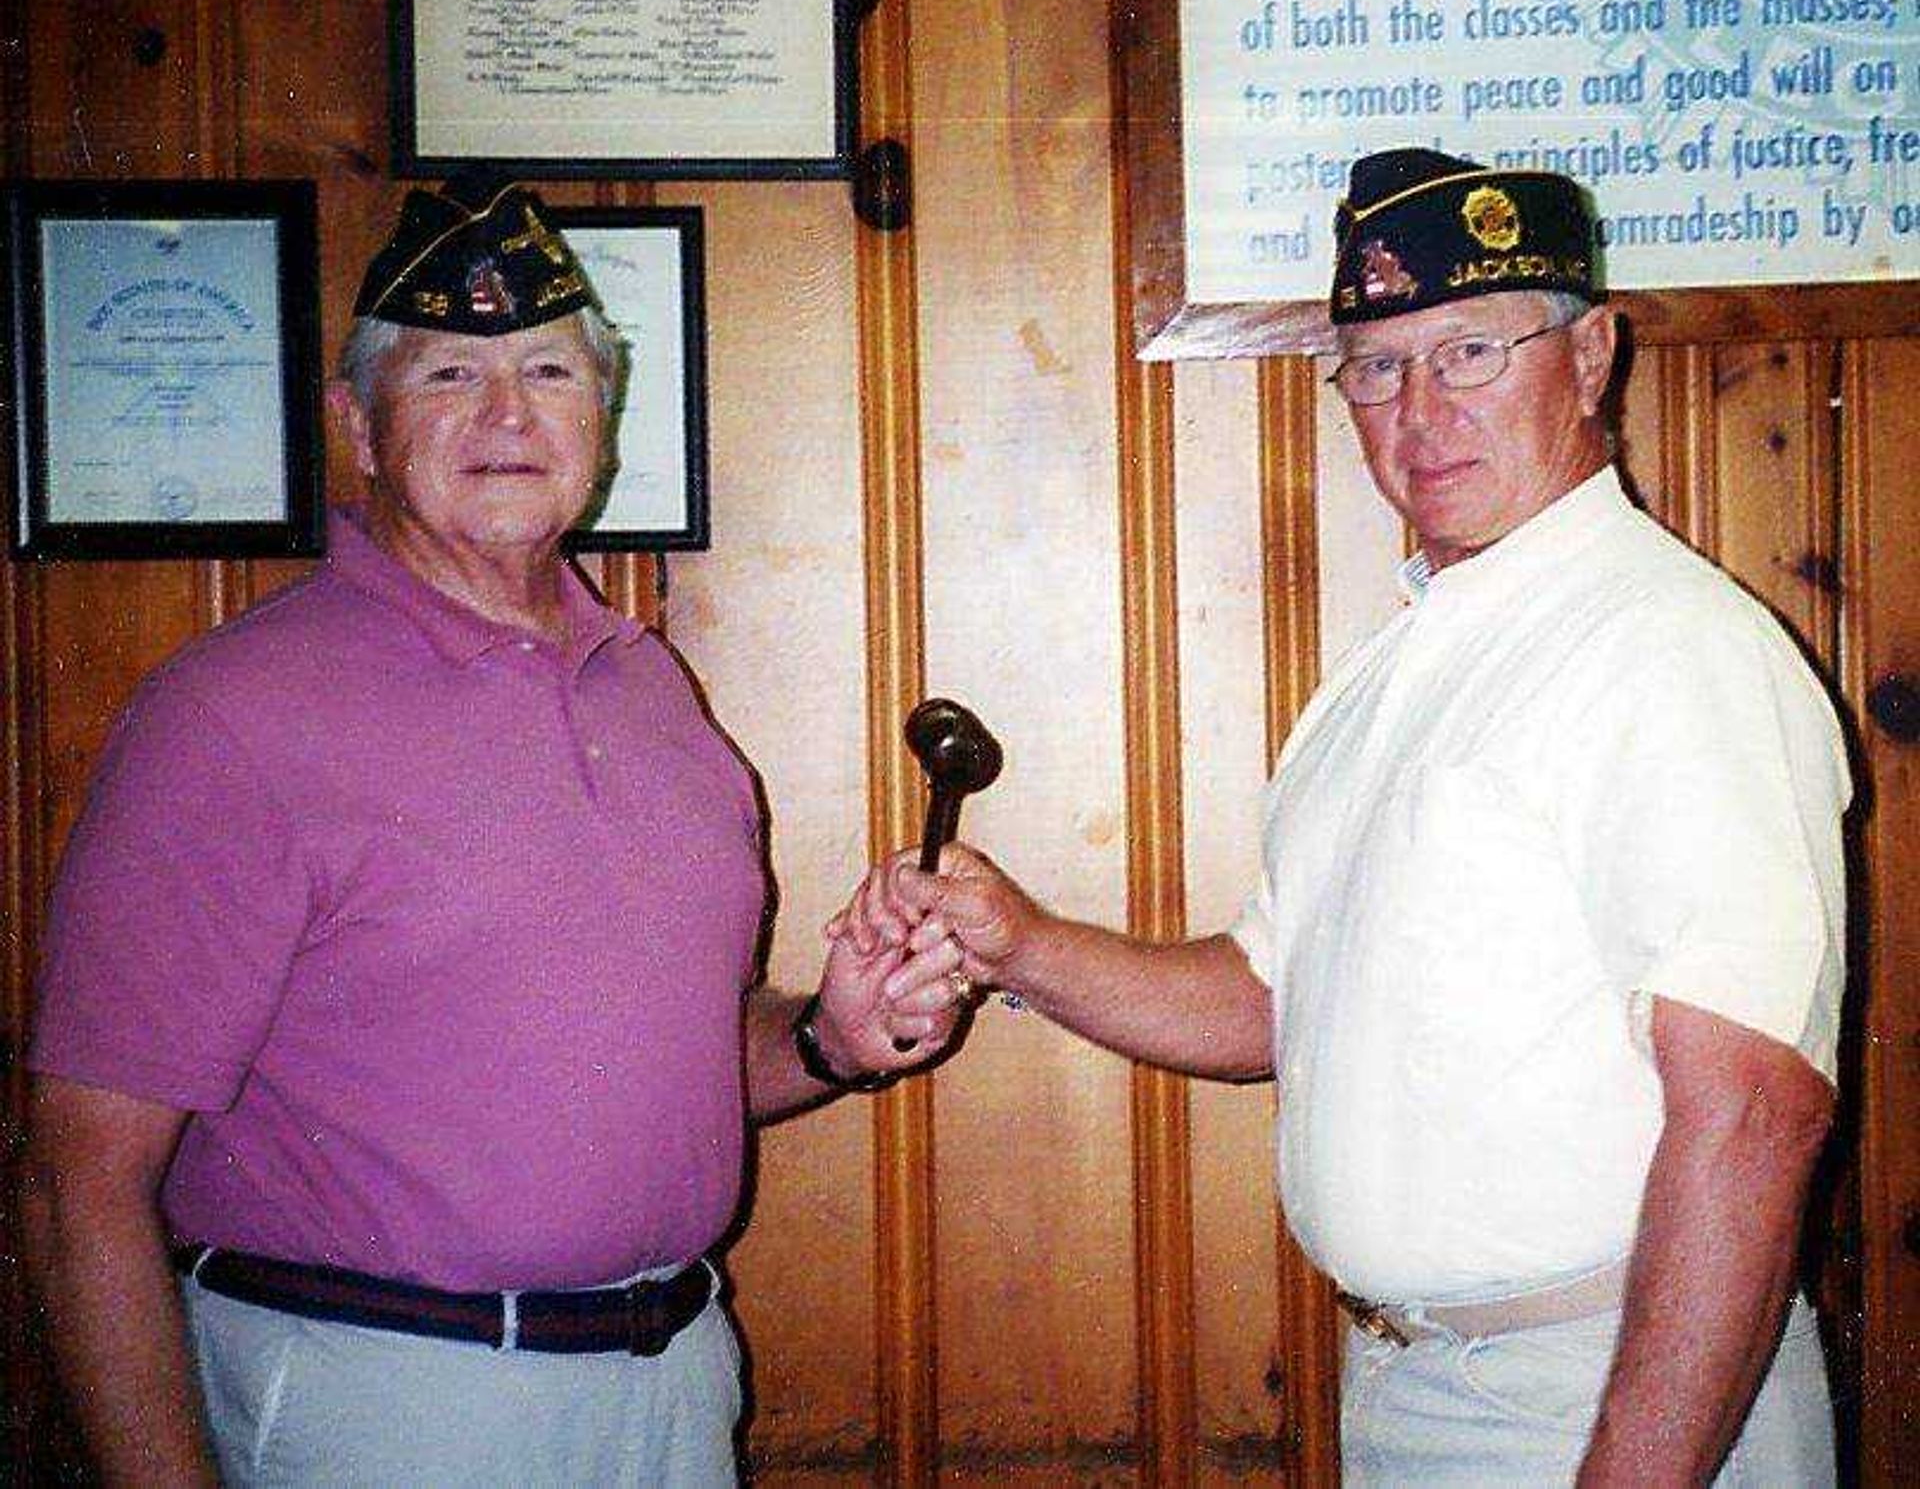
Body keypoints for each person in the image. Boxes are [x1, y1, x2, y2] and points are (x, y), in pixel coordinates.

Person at [844, 148, 1848, 1485]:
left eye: (1472, 350)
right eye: (1375, 365)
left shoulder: (1671, 649)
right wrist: (1018, 941)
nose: (1420, 409)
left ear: (1594, 354)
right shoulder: (1398, 667)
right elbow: (1272, 996)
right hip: (1413, 1389)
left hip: (1606, 1396)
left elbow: (1751, 1116)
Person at [20, 174, 964, 1488]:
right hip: (379, 1402)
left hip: (675, 1384)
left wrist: (826, 1036)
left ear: (605, 415)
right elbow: (80, 1185)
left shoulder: (654, 697)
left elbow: (675, 1060)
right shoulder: (231, 716)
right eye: (451, 373)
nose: (510, 411)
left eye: (548, 369)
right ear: (357, 423)